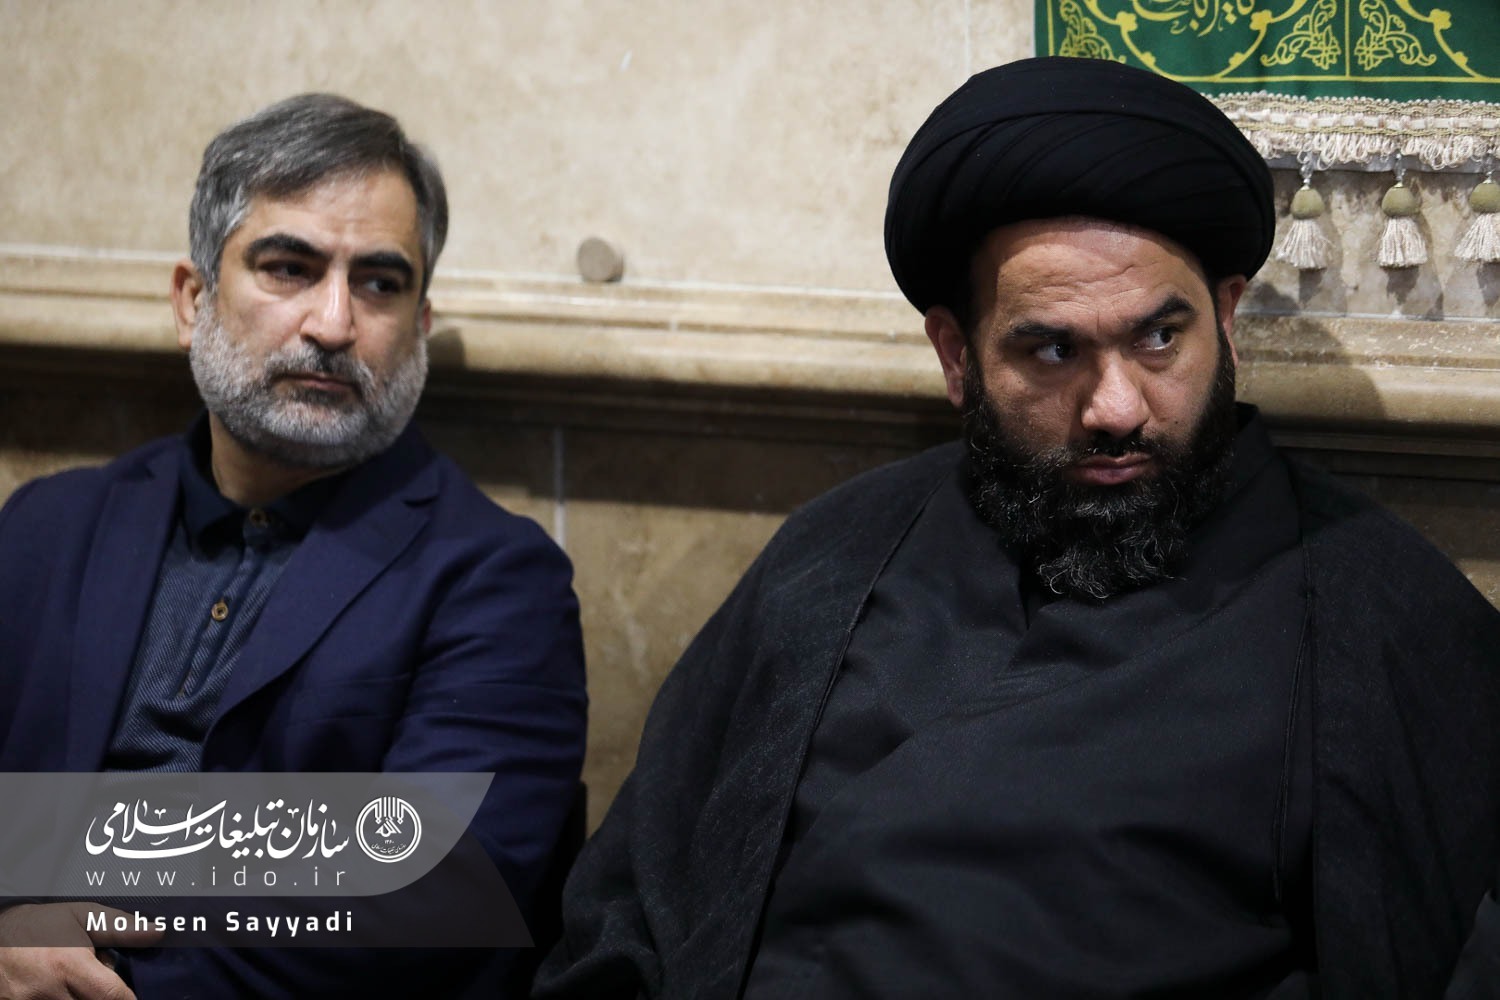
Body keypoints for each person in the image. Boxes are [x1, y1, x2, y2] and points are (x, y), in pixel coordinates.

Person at [535, 57, 1500, 999]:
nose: (1116, 408)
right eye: (1051, 352)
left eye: (1160, 337)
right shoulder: (837, 553)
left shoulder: (1376, 611)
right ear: (957, 358)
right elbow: (631, 904)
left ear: (1229, 321)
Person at [0, 94, 588, 997]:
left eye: (380, 284)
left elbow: (435, 892)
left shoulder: (497, 580)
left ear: (421, 328)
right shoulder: (49, 527)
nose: (333, 324)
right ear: (193, 300)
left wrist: (91, 966)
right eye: (288, 268)